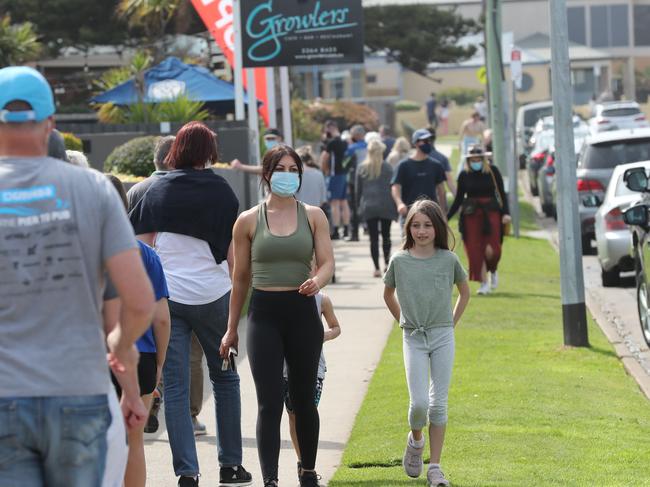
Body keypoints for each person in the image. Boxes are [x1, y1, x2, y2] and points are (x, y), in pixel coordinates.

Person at [0, 65, 154, 486]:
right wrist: (122, 354)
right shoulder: (94, 189)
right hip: (79, 391)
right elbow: (139, 303)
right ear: (51, 123)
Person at [130, 121, 252, 487]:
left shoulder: (154, 190)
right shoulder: (222, 191)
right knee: (226, 379)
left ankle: (187, 471)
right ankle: (231, 466)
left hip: (169, 297)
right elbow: (233, 255)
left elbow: (142, 247)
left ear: (176, 150)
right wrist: (239, 305)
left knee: (176, 386)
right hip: (214, 296)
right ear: (208, 153)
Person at [221, 144, 335, 487]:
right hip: (264, 314)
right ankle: (270, 478)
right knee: (269, 401)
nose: (288, 175)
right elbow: (240, 278)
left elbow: (327, 261)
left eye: (293, 169)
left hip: (302, 312)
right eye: (281, 169)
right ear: (267, 175)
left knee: (302, 400)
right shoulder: (247, 220)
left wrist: (317, 280)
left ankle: (308, 470)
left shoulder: (313, 215)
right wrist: (230, 330)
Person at [383, 200, 470, 487]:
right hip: (413, 336)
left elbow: (464, 293)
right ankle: (416, 441)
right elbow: (388, 295)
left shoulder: (448, 259)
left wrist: (450, 323)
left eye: (428, 225)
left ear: (438, 228)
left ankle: (435, 467)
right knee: (419, 404)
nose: (422, 231)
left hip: (443, 335)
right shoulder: (399, 260)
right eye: (416, 225)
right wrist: (402, 321)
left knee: (439, 404)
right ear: (409, 228)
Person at [127, 135, 206, 437]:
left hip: (146, 279)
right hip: (186, 282)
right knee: (190, 354)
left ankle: (152, 402)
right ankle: (190, 414)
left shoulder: (137, 190)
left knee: (151, 345)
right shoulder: (192, 191)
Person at [105, 174, 171, 487]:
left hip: (95, 359)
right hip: (142, 356)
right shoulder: (145, 254)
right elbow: (161, 318)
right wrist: (159, 363)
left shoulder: (81, 249)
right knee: (134, 443)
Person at [284, 288, 341, 483]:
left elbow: (336, 327)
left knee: (306, 411)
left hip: (314, 366)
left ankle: (308, 467)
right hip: (285, 367)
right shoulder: (281, 296)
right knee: (292, 414)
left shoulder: (322, 299)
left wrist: (322, 335)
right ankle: (302, 461)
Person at [447, 145, 511, 295]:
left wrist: (506, 213)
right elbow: (458, 199)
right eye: (472, 159)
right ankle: (484, 283)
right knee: (475, 250)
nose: (475, 161)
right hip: (471, 216)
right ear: (468, 160)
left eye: (478, 159)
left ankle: (493, 270)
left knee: (493, 251)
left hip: (491, 213)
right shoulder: (464, 175)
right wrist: (446, 217)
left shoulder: (493, 171)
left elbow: (502, 194)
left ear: (484, 159)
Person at [356, 139, 397, 277]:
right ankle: (386, 264)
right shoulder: (388, 168)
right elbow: (393, 187)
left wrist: (357, 208)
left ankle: (376, 268)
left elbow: (358, 191)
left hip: (369, 205)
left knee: (373, 239)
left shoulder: (362, 168)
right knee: (386, 236)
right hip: (386, 204)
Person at [391, 128, 446, 227]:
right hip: (409, 214)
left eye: (429, 141)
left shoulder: (436, 165)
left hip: (431, 214)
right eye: (424, 141)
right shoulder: (404, 165)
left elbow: (441, 191)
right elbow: (396, 186)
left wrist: (442, 213)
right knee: (410, 242)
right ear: (415, 143)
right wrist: (399, 203)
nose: (428, 143)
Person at [319, 120, 350, 240]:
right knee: (344, 202)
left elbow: (324, 157)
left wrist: (323, 171)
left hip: (334, 174)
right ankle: (347, 229)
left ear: (330, 129)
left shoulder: (331, 143)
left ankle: (336, 230)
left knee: (334, 203)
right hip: (343, 174)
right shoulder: (345, 142)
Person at [343, 124, 368, 241]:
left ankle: (354, 234)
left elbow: (344, 164)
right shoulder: (369, 146)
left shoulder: (351, 148)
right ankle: (368, 227)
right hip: (369, 178)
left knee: (353, 205)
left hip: (354, 180)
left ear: (356, 135)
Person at [426, 127, 456, 204]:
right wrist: (458, 200)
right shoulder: (442, 158)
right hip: (438, 198)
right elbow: (450, 183)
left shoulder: (414, 159)